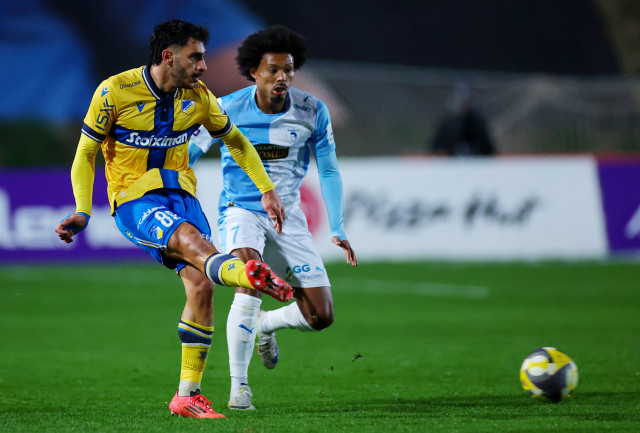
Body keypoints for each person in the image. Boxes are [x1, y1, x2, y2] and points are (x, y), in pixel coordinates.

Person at [54, 19, 295, 419]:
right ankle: (249, 276)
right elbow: (85, 153)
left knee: (202, 284)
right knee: (192, 243)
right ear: (169, 56)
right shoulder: (115, 91)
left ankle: (187, 395)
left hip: (182, 197)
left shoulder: (198, 97)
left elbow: (236, 141)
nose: (204, 66)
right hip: (135, 200)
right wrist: (82, 208)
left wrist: (266, 189)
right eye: (196, 57)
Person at [188, 25, 357, 411]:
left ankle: (266, 325)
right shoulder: (226, 108)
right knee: (249, 279)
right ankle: (239, 388)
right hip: (241, 210)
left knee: (320, 315)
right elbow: (190, 153)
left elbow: (329, 170)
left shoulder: (312, 110)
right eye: (273, 70)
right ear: (253, 72)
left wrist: (337, 227)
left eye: (289, 70)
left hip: (289, 217)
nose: (282, 77)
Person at [430, 83, 496, 156]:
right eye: (457, 101)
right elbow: (437, 147)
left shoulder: (477, 122)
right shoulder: (447, 124)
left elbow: (488, 148)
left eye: (463, 103)